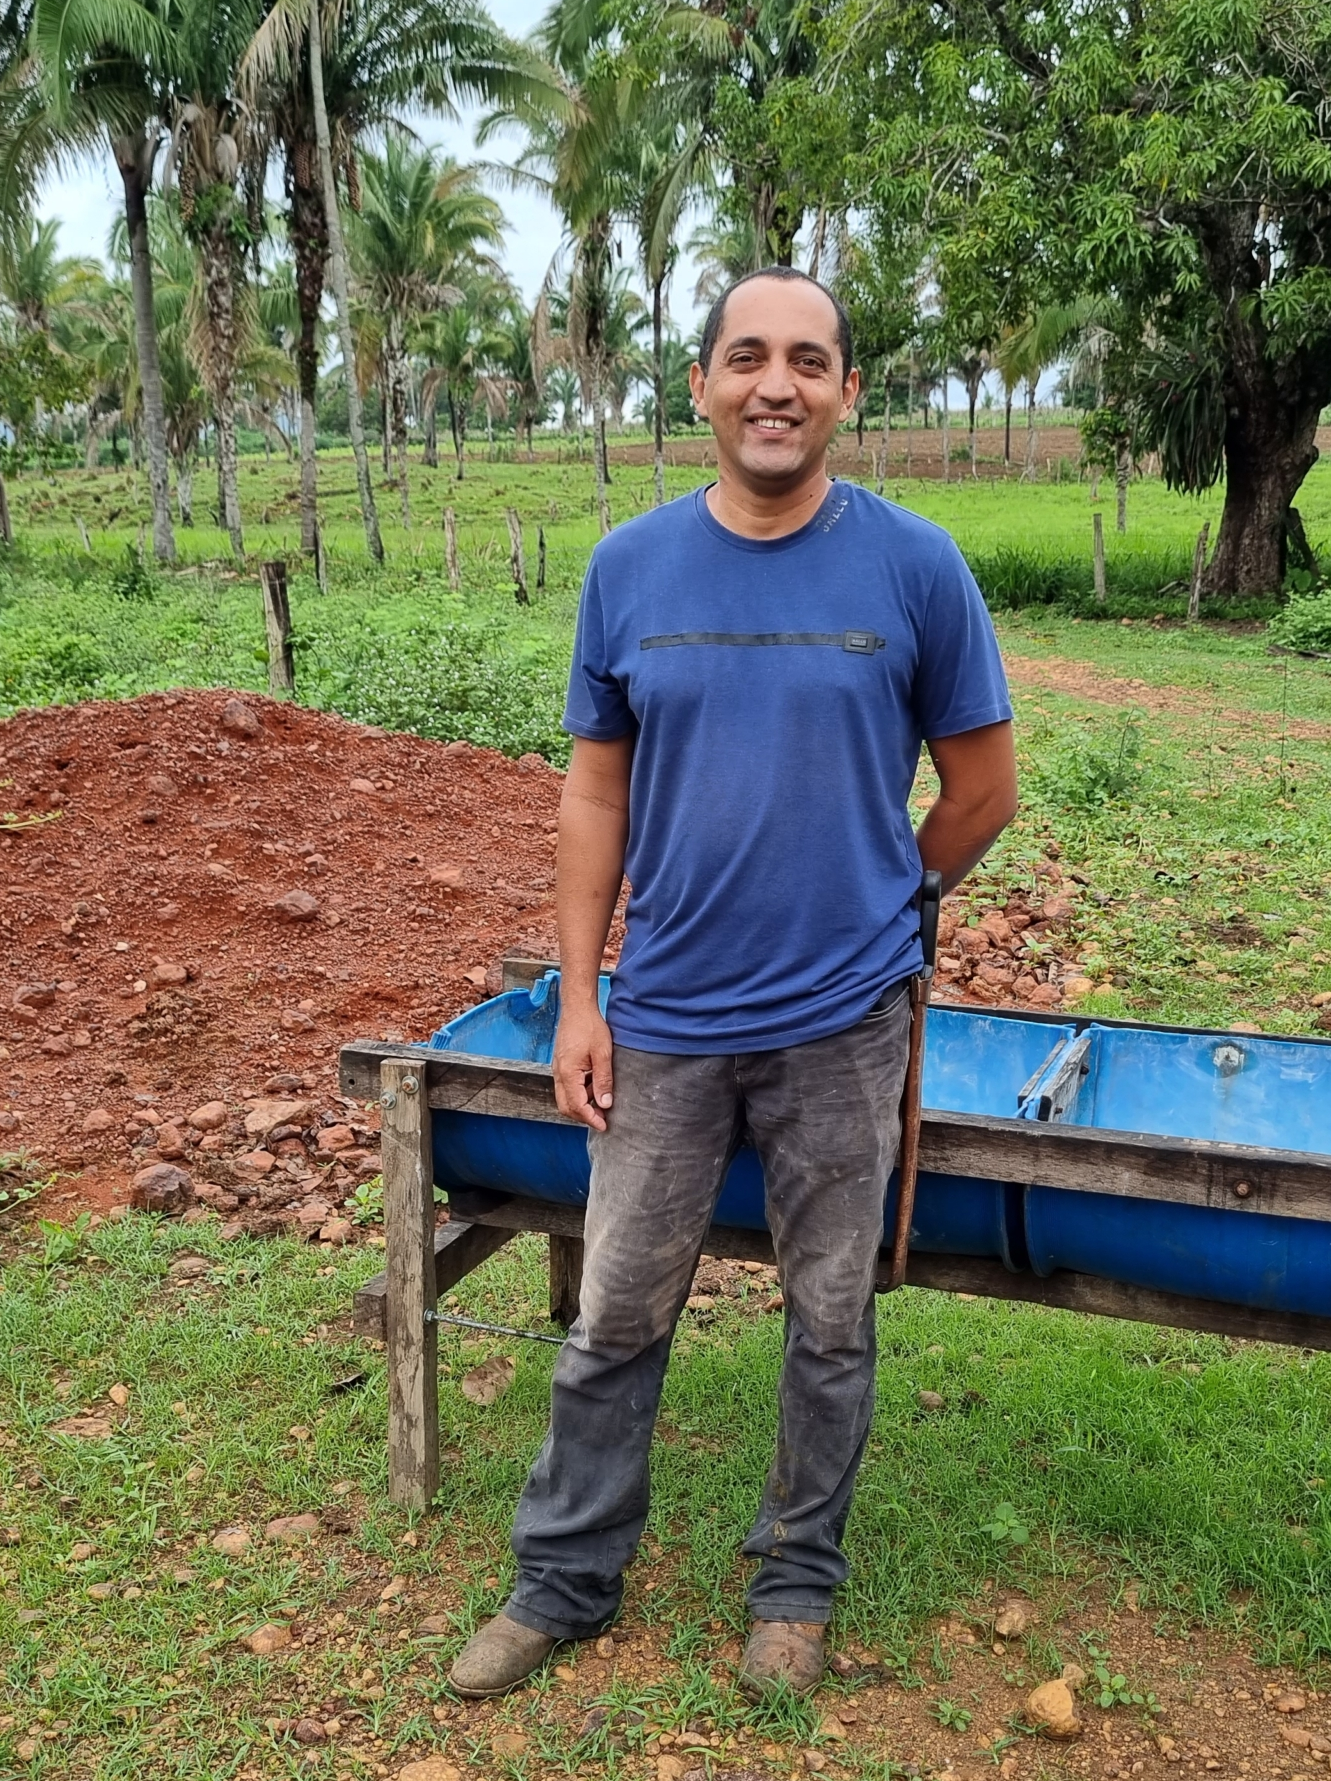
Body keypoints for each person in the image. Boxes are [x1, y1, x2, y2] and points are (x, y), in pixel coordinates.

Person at [449, 266, 1019, 1700]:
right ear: (700, 385)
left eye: (810, 361)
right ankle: (563, 1581)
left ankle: (795, 1585)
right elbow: (594, 802)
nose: (779, 384)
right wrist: (580, 999)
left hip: (842, 1027)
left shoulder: (915, 568)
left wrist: (893, 897)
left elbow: (981, 790)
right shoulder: (629, 570)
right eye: (749, 358)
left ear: (846, 395)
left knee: (831, 1316)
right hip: (667, 1024)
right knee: (617, 1315)